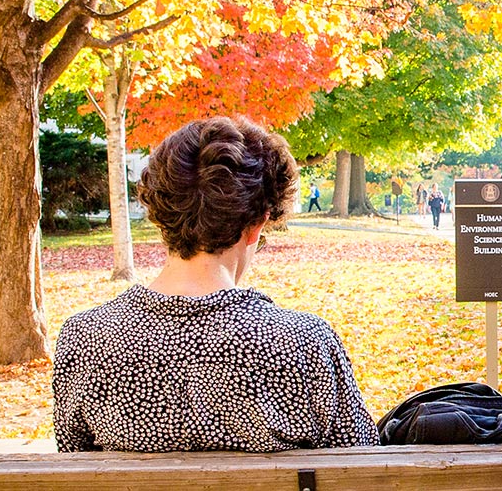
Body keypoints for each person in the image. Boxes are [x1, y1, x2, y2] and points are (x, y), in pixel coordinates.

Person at [52, 116, 377, 452]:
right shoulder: (307, 343)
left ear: (162, 215)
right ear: (257, 224)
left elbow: (73, 455)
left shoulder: (83, 339)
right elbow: (365, 464)